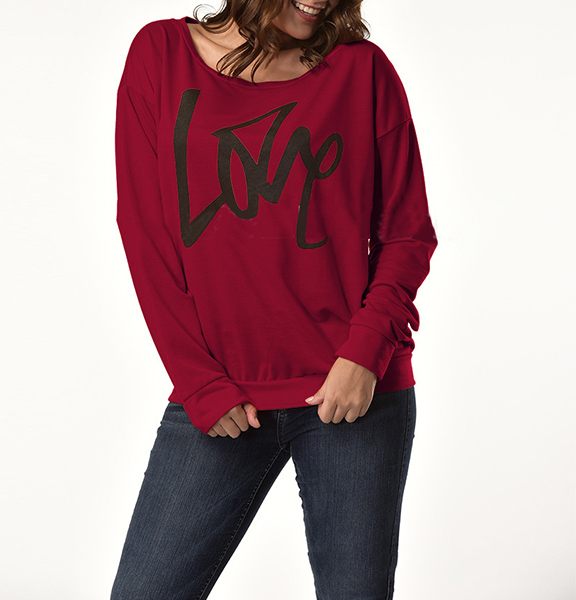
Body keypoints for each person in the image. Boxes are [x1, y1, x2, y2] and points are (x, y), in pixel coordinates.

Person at [110, 0, 438, 598]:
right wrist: (199, 382)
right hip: (221, 397)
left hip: (353, 395)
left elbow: (408, 234)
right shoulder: (160, 56)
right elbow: (145, 233)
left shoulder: (363, 72)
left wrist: (365, 355)